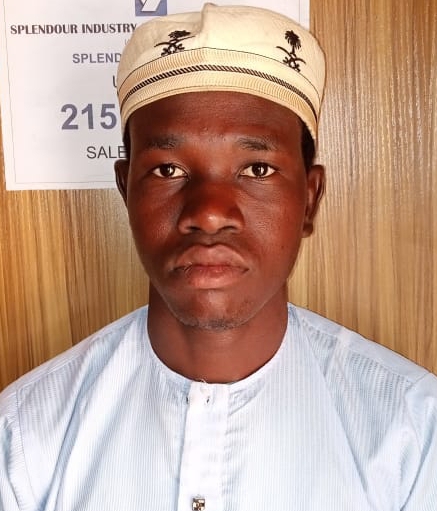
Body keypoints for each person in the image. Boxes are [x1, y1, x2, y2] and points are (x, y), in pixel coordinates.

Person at [1, 4, 436, 510]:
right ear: (125, 191)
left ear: (310, 198)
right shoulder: (24, 439)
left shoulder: (412, 435)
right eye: (167, 170)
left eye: (257, 169)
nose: (209, 213)